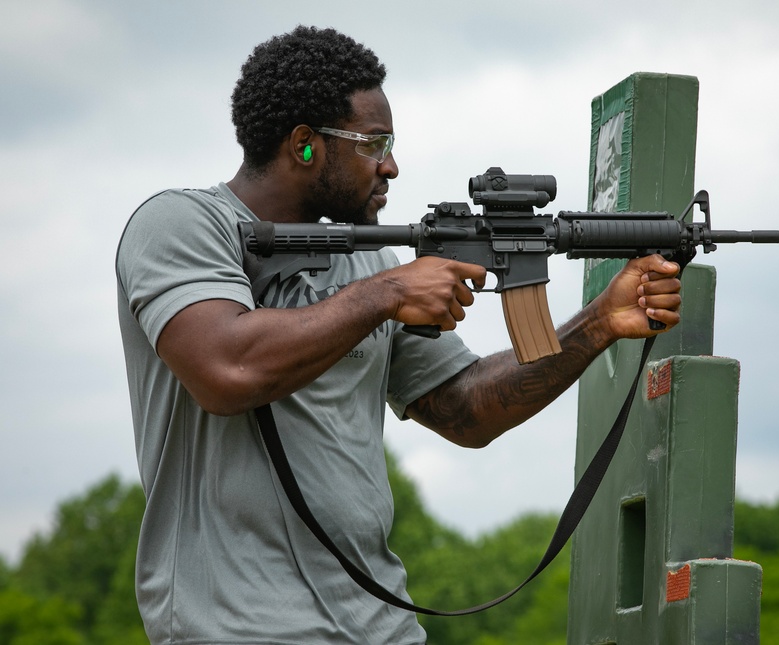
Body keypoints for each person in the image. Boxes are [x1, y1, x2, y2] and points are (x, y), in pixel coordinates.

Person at [116, 25, 681, 644]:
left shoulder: (370, 260)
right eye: (372, 143)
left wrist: (600, 322)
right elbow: (227, 371)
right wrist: (387, 295)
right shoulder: (181, 225)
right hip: (237, 628)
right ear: (304, 145)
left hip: (382, 629)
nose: (390, 165)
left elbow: (467, 410)